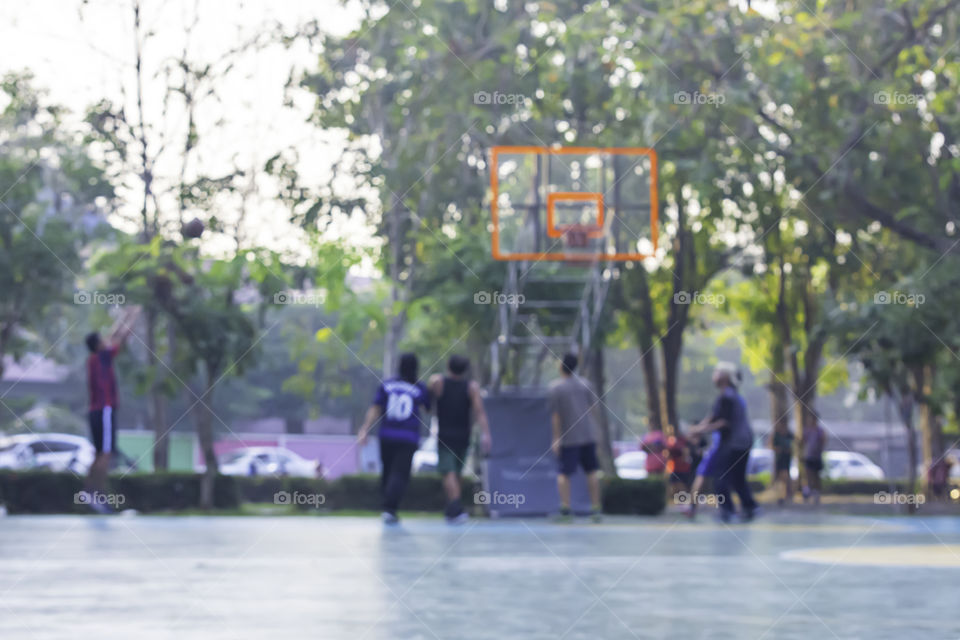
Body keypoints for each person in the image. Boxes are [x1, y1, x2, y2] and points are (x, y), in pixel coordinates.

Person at [357, 353, 431, 525]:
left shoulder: (387, 384)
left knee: (388, 471)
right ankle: (390, 508)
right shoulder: (419, 388)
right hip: (408, 437)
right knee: (400, 473)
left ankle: (387, 507)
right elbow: (428, 408)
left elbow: (375, 408)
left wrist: (364, 429)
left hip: (387, 436)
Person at [83, 306, 141, 514]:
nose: (105, 340)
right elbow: (121, 337)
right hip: (104, 411)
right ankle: (98, 494)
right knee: (106, 454)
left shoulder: (94, 359)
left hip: (94, 411)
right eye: (102, 340)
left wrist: (124, 314)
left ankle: (88, 492)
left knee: (99, 453)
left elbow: (112, 336)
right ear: (98, 345)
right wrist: (134, 315)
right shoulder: (103, 357)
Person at [690, 362, 758, 522]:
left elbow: (723, 422)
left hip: (733, 443)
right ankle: (750, 507)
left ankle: (728, 511)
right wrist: (700, 428)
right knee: (738, 478)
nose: (714, 375)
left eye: (717, 372)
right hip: (744, 441)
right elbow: (714, 417)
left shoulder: (727, 397)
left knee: (721, 477)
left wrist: (700, 430)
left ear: (725, 377)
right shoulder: (732, 396)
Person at [428, 355, 492, 524]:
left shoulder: (439, 383)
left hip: (446, 435)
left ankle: (454, 506)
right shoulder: (471, 387)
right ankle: (453, 508)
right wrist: (486, 434)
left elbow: (429, 396)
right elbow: (480, 412)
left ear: (448, 366)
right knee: (454, 473)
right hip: (463, 435)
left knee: (450, 473)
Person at [549, 353, 602, 522]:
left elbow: (556, 416)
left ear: (561, 366)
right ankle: (596, 509)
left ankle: (565, 509)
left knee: (564, 474)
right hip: (588, 435)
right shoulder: (586, 385)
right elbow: (594, 409)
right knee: (591, 471)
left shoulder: (556, 388)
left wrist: (556, 438)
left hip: (568, 438)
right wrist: (596, 431)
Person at [685, 429, 721, 518]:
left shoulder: (704, 441)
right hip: (694, 468)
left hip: (704, 465)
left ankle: (692, 507)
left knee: (704, 481)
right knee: (699, 482)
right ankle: (692, 507)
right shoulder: (690, 443)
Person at [801, 416, 826, 506]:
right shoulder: (807, 430)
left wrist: (819, 449)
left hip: (817, 456)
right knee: (808, 475)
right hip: (808, 456)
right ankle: (808, 493)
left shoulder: (820, 431)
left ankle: (816, 494)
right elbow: (802, 441)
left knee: (816, 476)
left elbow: (823, 441)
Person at [770, 421, 795, 507]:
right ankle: (780, 496)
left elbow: (794, 443)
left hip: (786, 458)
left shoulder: (789, 434)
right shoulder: (776, 435)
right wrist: (779, 449)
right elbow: (772, 446)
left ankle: (787, 495)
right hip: (779, 459)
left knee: (786, 476)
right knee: (780, 477)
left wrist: (789, 449)